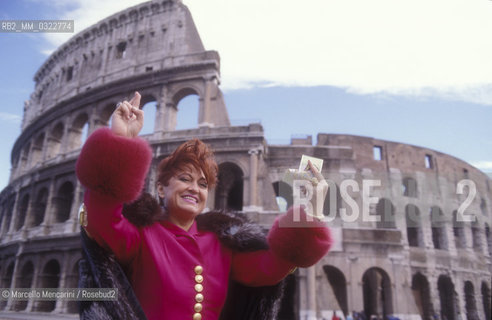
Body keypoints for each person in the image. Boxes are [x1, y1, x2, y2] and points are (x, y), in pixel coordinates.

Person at [76, 92, 333, 320]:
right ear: (161, 188)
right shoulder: (142, 236)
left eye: (202, 184)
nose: (194, 189)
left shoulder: (220, 244)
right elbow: (101, 217)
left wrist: (312, 209)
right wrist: (121, 137)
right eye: (184, 179)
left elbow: (271, 267)